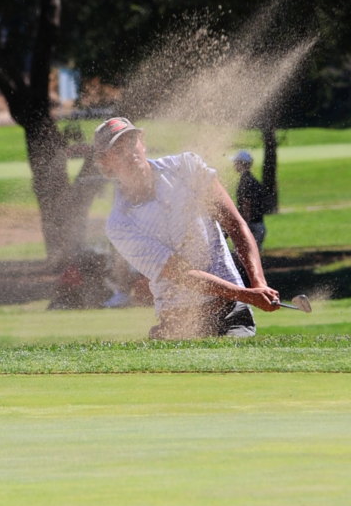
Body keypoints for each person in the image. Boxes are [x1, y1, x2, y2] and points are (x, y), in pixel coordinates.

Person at [95, 117, 280, 339]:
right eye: (117, 149)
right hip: (178, 322)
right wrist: (246, 294)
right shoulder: (119, 224)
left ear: (142, 141)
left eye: (131, 141)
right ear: (104, 161)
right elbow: (182, 273)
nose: (128, 151)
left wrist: (258, 283)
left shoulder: (187, 167)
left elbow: (235, 224)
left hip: (231, 313)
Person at [231, 149, 267, 250]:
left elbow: (246, 204)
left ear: (241, 163)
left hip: (252, 226)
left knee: (244, 261)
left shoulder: (245, 181)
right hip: (258, 225)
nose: (234, 165)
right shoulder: (251, 179)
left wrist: (243, 228)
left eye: (236, 162)